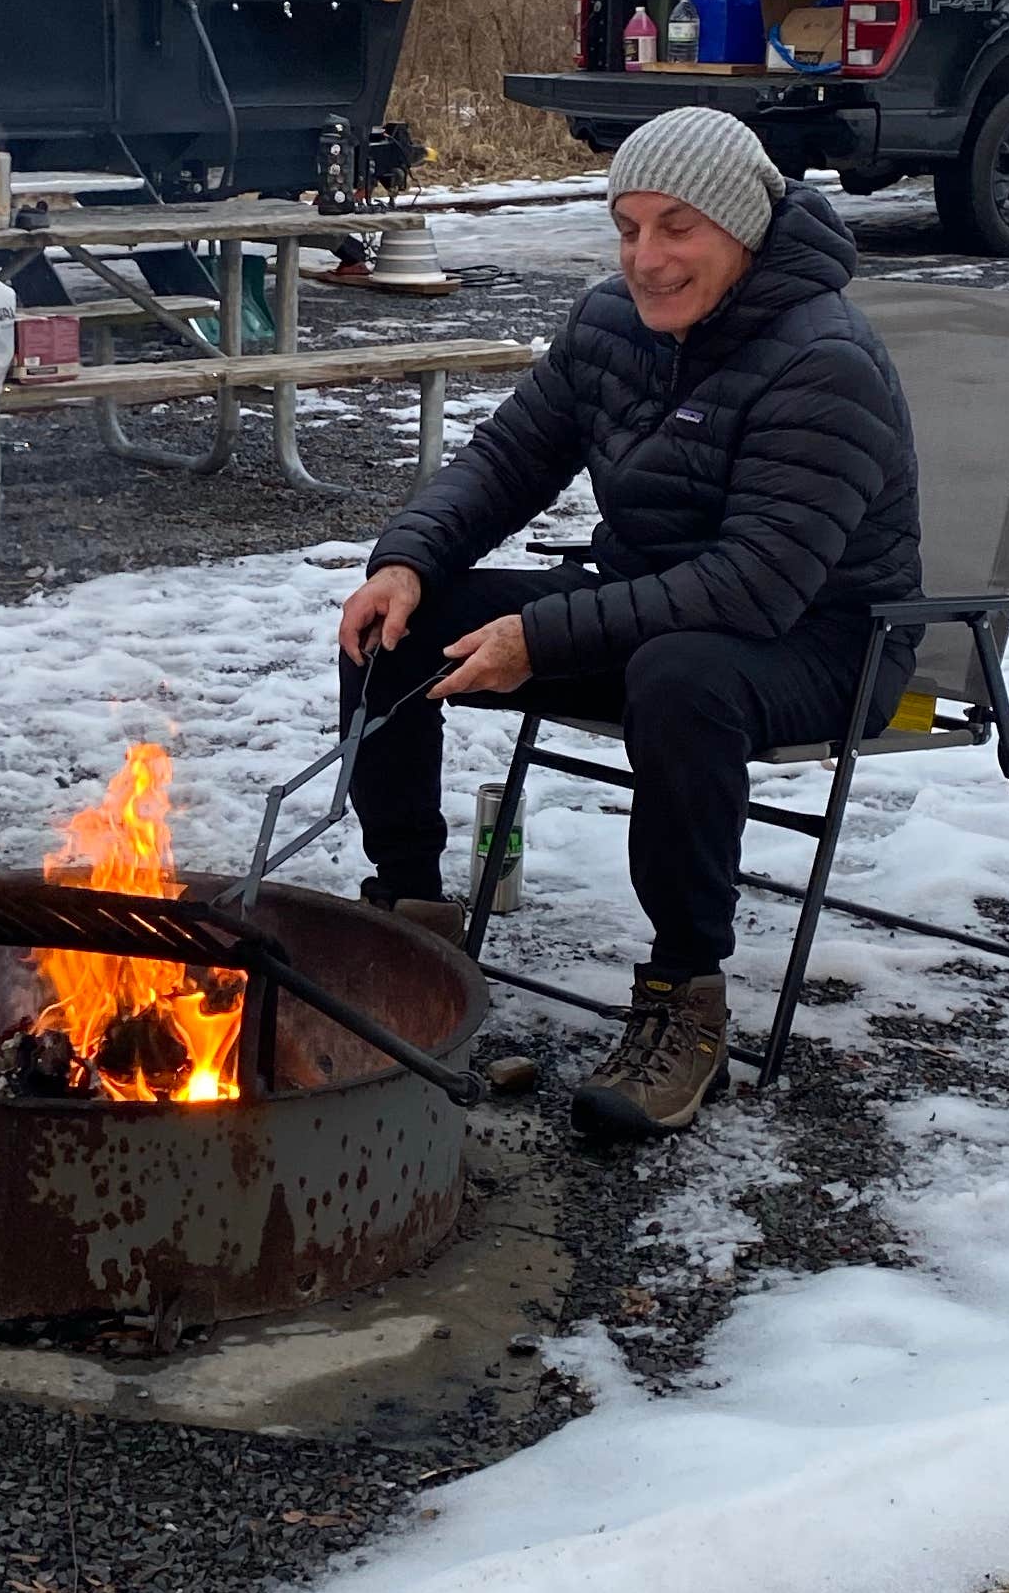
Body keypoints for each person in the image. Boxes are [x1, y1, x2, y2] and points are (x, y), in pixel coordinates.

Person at [335, 110, 921, 1141]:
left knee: (683, 678)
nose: (647, 258)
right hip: (650, 611)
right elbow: (506, 460)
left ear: (743, 226)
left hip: (823, 642)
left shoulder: (824, 360)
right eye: (629, 227)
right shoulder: (612, 324)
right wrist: (407, 559)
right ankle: (412, 929)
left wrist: (544, 640)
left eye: (678, 228)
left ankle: (684, 1003)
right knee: (396, 627)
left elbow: (757, 585)